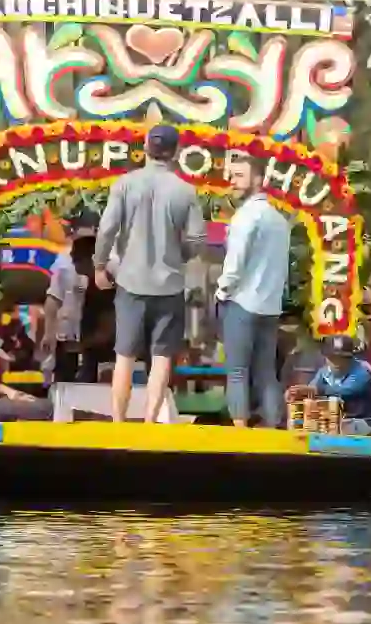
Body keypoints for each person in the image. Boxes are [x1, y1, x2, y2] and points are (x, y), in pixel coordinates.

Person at [92, 124, 207, 423]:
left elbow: (107, 229)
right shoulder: (185, 191)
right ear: (176, 152)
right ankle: (150, 422)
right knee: (161, 359)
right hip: (169, 286)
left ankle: (118, 423)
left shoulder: (125, 184)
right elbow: (196, 240)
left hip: (131, 283)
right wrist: (178, 256)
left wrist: (100, 265)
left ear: (145, 147)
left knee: (124, 357)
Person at [215, 158, 289, 428]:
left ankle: (240, 434)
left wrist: (222, 291)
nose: (232, 181)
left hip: (242, 302)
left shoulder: (245, 216)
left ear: (257, 180)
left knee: (236, 372)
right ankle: (273, 428)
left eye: (239, 176)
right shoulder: (279, 220)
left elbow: (235, 262)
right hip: (270, 306)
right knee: (266, 373)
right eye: (232, 175)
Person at [41, 209, 100, 382]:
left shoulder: (111, 260)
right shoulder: (64, 261)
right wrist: (49, 332)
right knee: (65, 381)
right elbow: (53, 298)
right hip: (68, 334)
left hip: (98, 337)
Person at [300, 335, 371, 433]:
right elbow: (311, 390)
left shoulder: (361, 371)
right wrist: (299, 393)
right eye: (333, 358)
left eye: (343, 358)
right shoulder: (323, 372)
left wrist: (317, 390)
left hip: (367, 420)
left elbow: (346, 390)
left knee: (342, 429)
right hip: (337, 421)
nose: (338, 363)